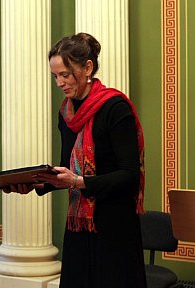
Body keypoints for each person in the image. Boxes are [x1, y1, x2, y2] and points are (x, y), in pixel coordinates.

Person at [34, 33, 147, 288]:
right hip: (79, 226)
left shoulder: (115, 107)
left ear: (87, 68)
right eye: (55, 76)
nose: (59, 83)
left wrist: (79, 181)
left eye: (65, 74)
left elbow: (129, 175)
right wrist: (40, 182)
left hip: (114, 225)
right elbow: (66, 169)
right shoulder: (66, 112)